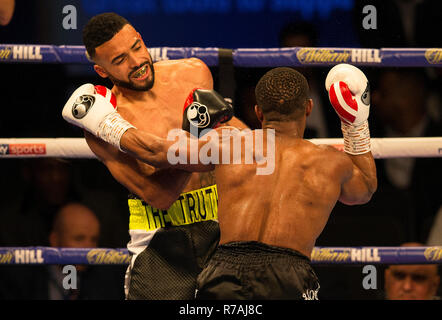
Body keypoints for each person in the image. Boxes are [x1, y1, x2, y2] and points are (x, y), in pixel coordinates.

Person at [63, 63, 377, 299]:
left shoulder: (230, 142)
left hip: (224, 268)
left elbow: (157, 153)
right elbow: (363, 192)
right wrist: (355, 124)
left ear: (256, 111)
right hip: (288, 274)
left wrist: (104, 121)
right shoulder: (331, 162)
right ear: (308, 108)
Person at [64, 12, 245, 300]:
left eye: (136, 47)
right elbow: (157, 194)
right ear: (102, 71)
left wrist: (221, 134)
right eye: (120, 60)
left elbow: (232, 137)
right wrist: (197, 137)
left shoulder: (192, 73)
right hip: (159, 245)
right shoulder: (107, 121)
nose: (136, 63)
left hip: (222, 228)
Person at [0, 202, 125, 300]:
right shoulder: (22, 280)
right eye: (79, 239)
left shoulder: (108, 281)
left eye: (94, 239)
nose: (89, 248)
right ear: (54, 240)